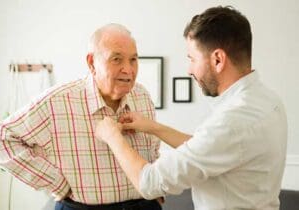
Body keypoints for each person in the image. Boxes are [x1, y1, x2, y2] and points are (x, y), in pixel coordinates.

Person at [95, 6, 288, 210]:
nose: (189, 70)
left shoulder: (232, 121)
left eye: (192, 59)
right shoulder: (268, 100)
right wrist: (152, 127)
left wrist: (112, 137)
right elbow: (211, 148)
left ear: (217, 60)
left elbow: (150, 183)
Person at [0, 23, 162, 210]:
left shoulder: (142, 96)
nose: (129, 69)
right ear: (92, 63)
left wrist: (158, 191)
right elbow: (3, 137)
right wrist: (56, 183)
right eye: (117, 59)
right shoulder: (56, 102)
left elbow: (153, 150)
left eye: (133, 59)